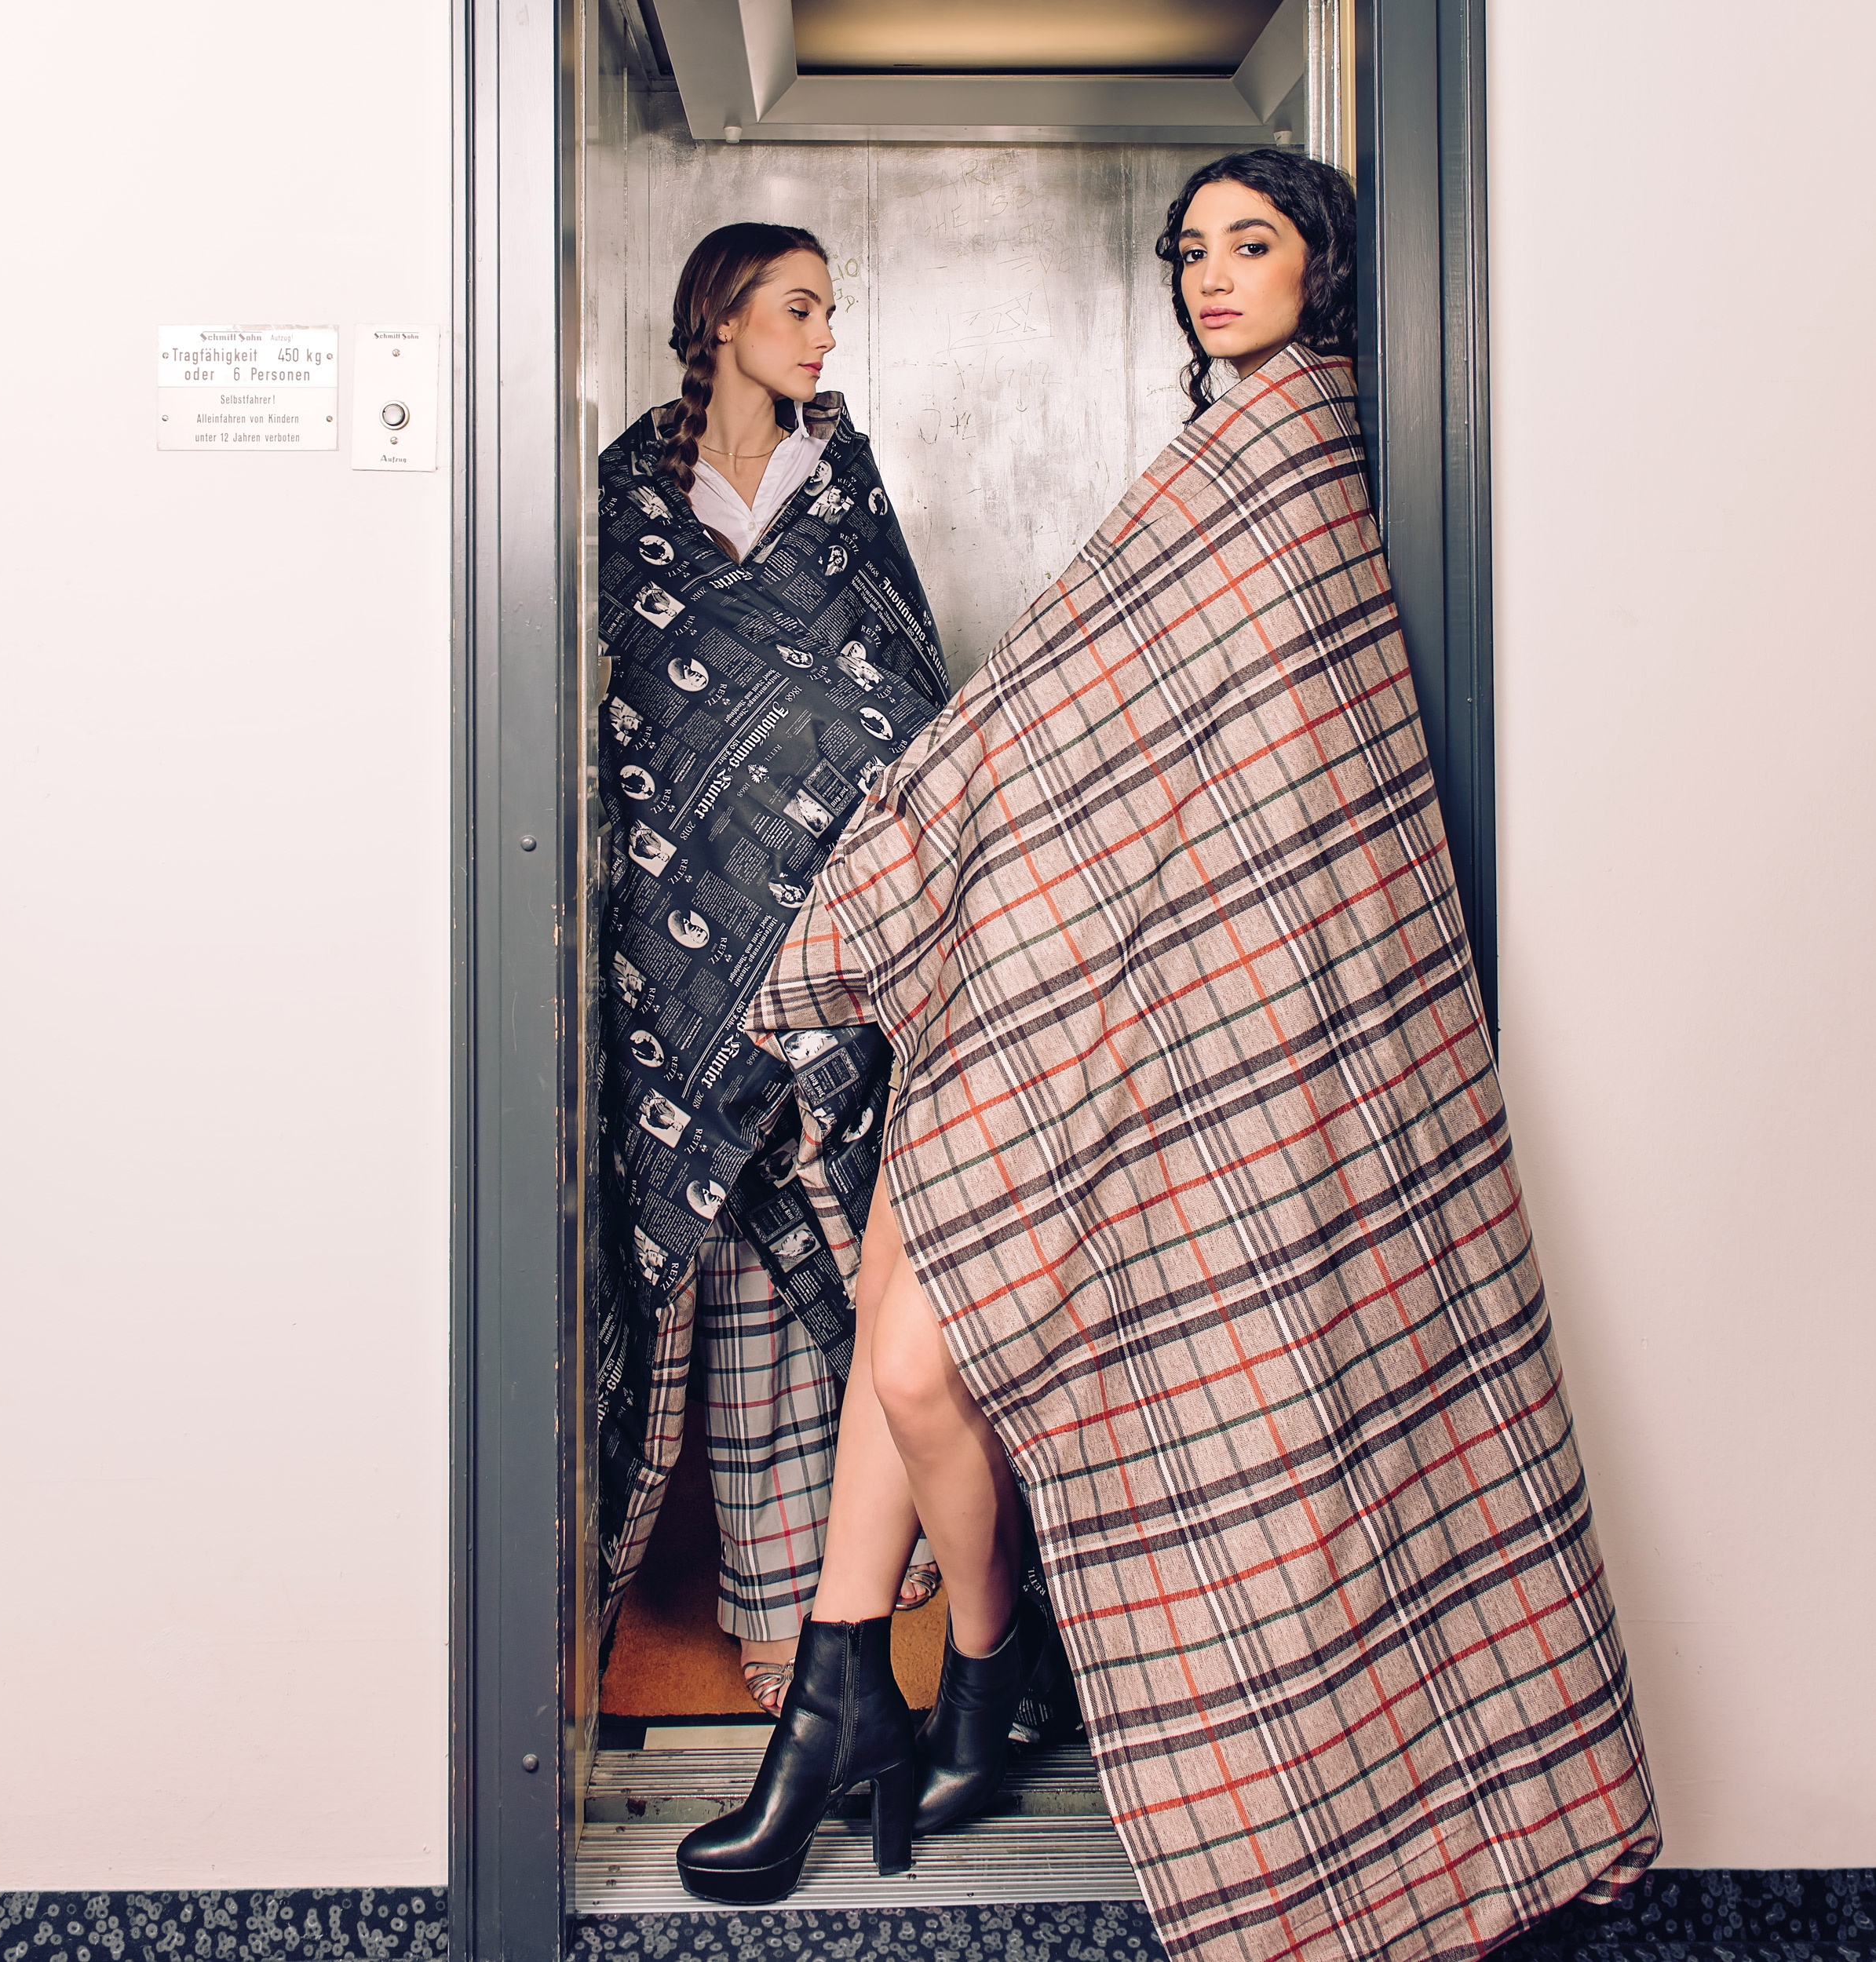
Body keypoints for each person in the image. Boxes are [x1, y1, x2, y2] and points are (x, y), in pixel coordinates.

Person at [677, 151, 1661, 1962]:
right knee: (904, 1302)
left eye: (1250, 243)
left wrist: (928, 859)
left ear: (1318, 267)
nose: (1213, 272)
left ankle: (935, 1682)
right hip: (1067, 974)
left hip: (1189, 1009)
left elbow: (1201, 751)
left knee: (933, 1337)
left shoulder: (1291, 464)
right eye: (1190, 247)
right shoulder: (1217, 454)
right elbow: (1082, 716)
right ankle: (886, 1679)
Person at [594, 224, 947, 1719]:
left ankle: (843, 1594)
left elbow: (904, 695)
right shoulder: (629, 494)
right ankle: (762, 1600)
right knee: (723, 1261)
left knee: (841, 1243)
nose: (822, 335)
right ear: (724, 317)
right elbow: (611, 704)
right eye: (799, 308)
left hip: (831, 933)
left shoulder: (839, 486)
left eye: (829, 310)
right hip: (677, 938)